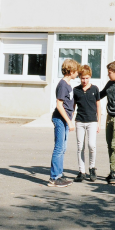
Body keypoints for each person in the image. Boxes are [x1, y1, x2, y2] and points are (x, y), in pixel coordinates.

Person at [47, 59, 78, 187]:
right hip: (60, 119)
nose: (77, 73)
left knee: (63, 148)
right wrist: (69, 122)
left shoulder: (68, 84)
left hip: (65, 120)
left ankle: (59, 174)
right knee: (59, 148)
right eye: (76, 71)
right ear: (71, 71)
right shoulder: (63, 85)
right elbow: (59, 105)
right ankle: (54, 178)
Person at [72, 64, 102, 183]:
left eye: (87, 78)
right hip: (80, 121)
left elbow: (98, 106)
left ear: (90, 77)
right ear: (80, 77)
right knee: (80, 146)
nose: (85, 81)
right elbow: (73, 107)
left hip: (92, 121)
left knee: (91, 145)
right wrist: (70, 121)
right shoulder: (76, 90)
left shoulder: (95, 89)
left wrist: (99, 122)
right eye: (83, 78)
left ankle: (92, 168)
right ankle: (81, 171)